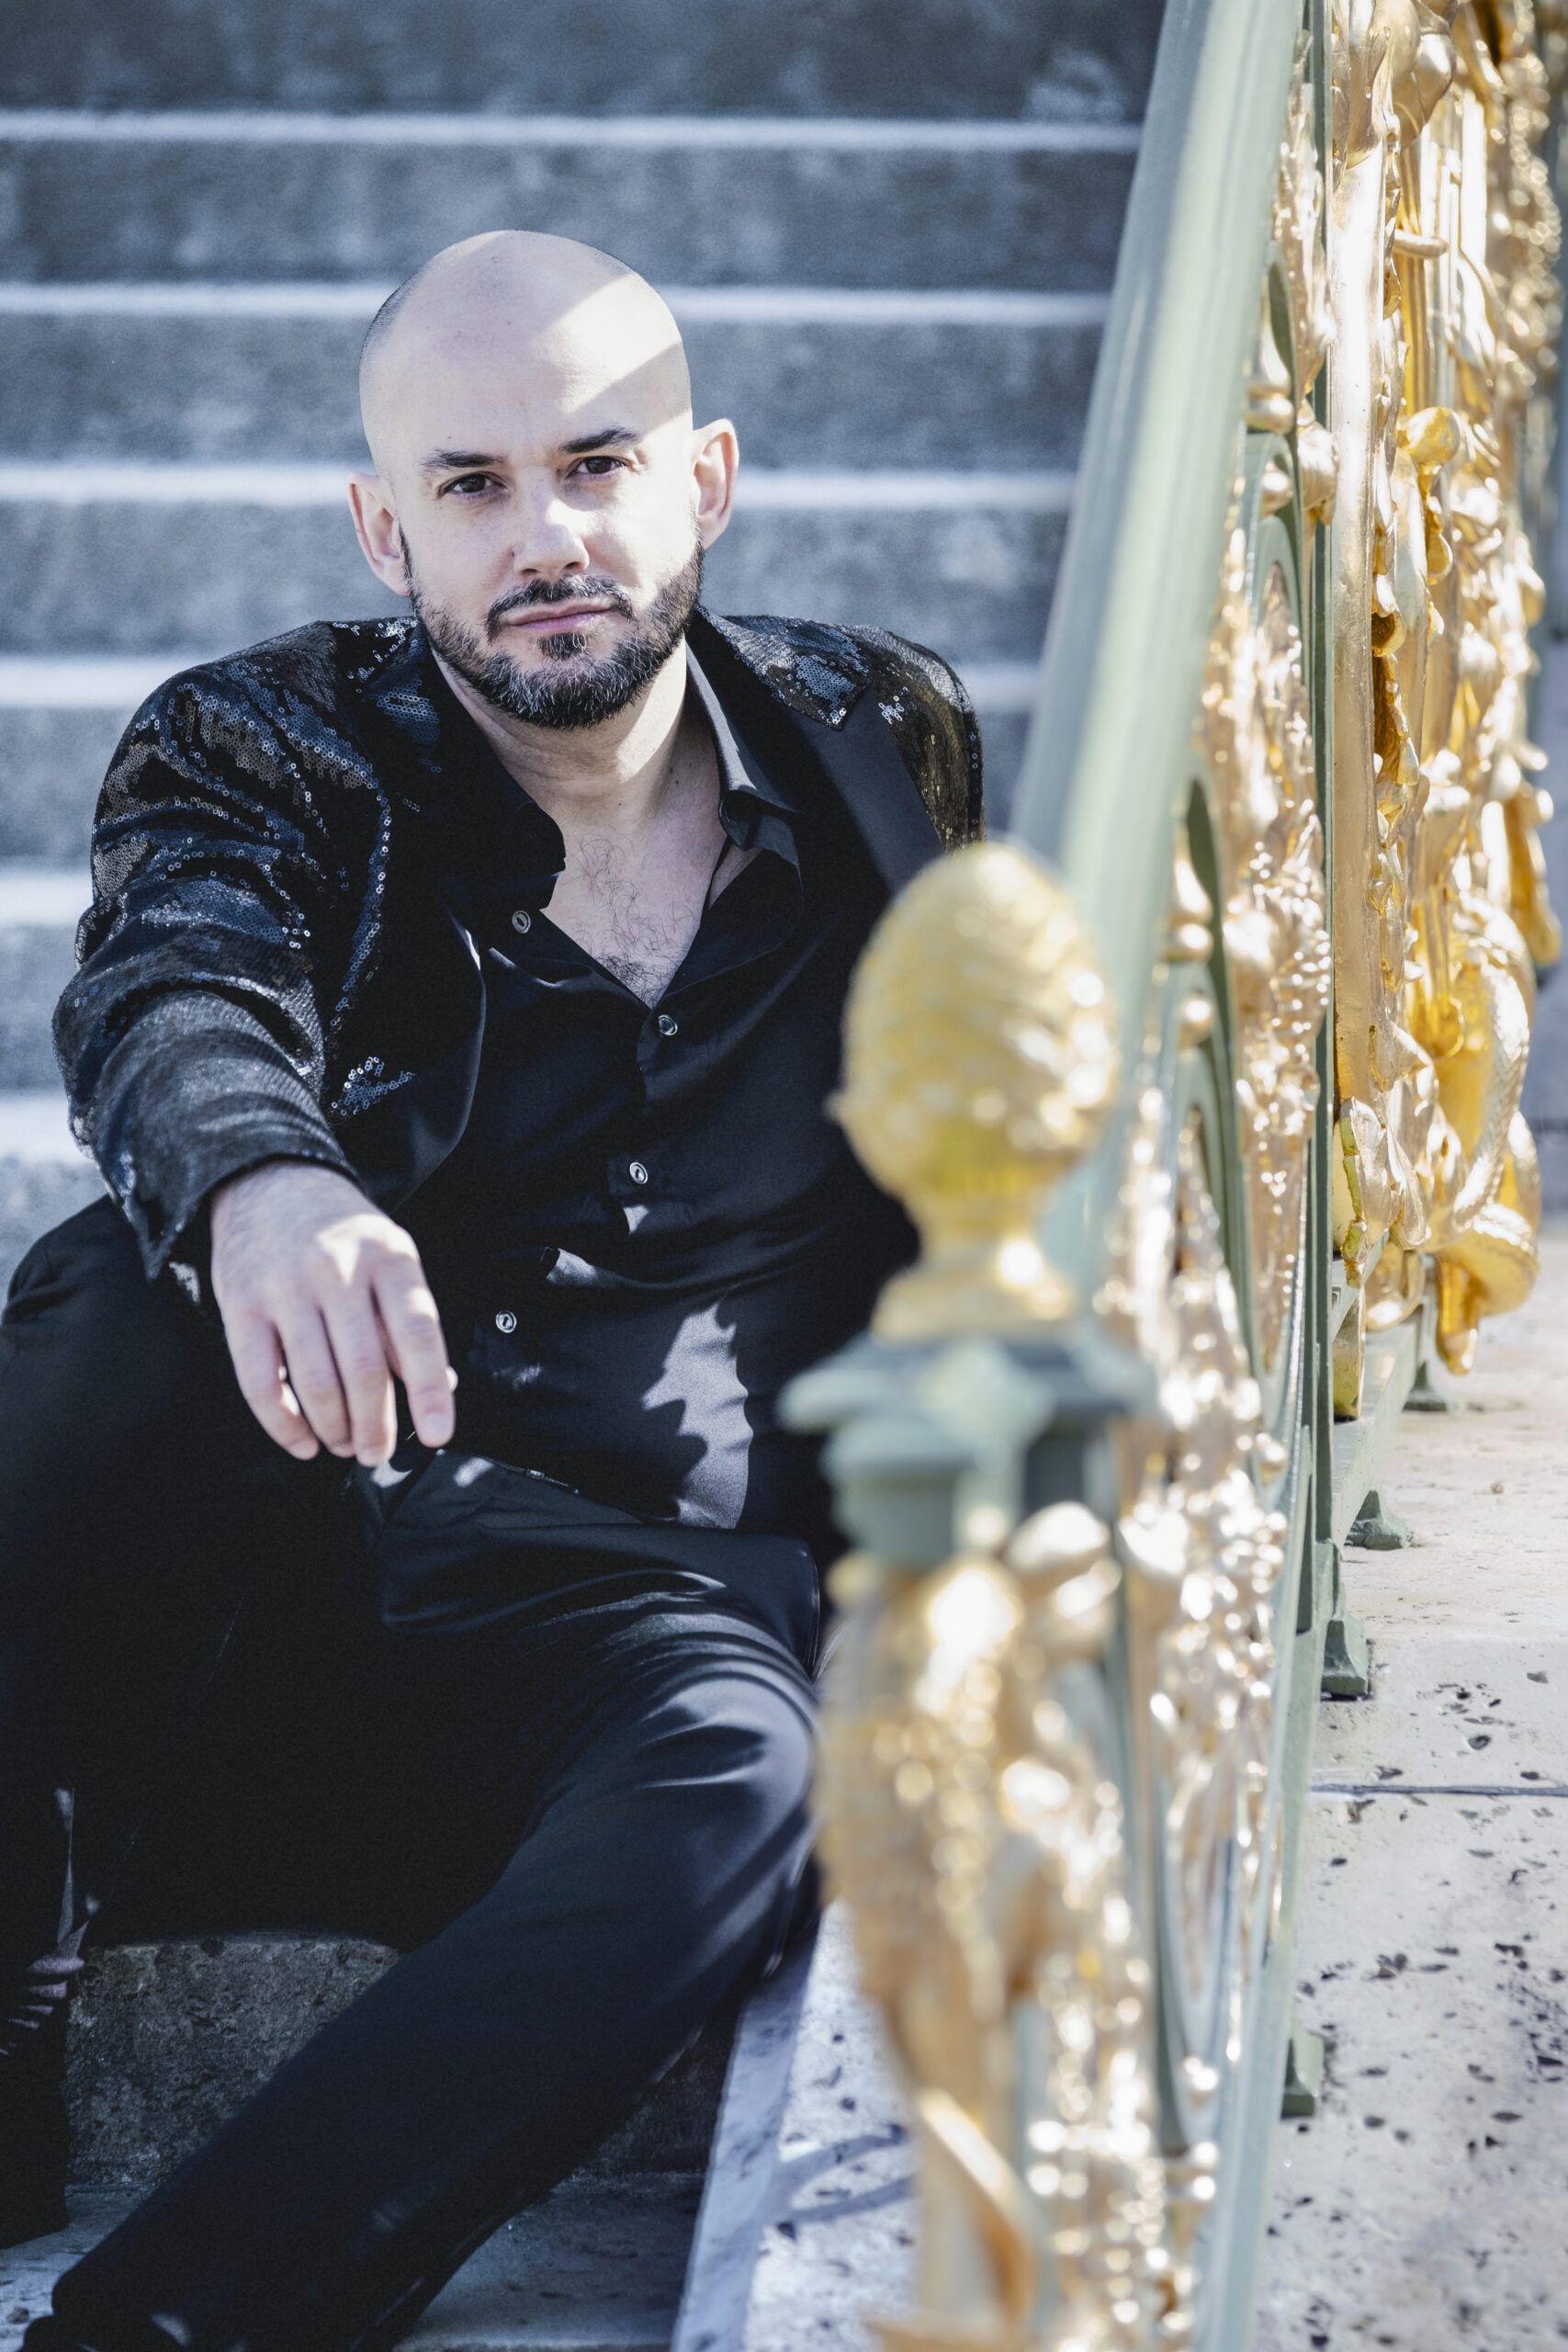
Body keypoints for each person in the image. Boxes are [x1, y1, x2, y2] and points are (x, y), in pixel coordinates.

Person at [0, 229, 982, 2352]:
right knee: (107, 1308)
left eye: (594, 463)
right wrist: (265, 1180)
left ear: (702, 480)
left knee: (747, 1783)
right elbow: (172, 983)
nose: (544, 536)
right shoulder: (261, 743)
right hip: (315, 1545)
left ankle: (163, 2321)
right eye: (468, 483)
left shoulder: (881, 731)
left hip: (644, 1596)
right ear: (387, 531)